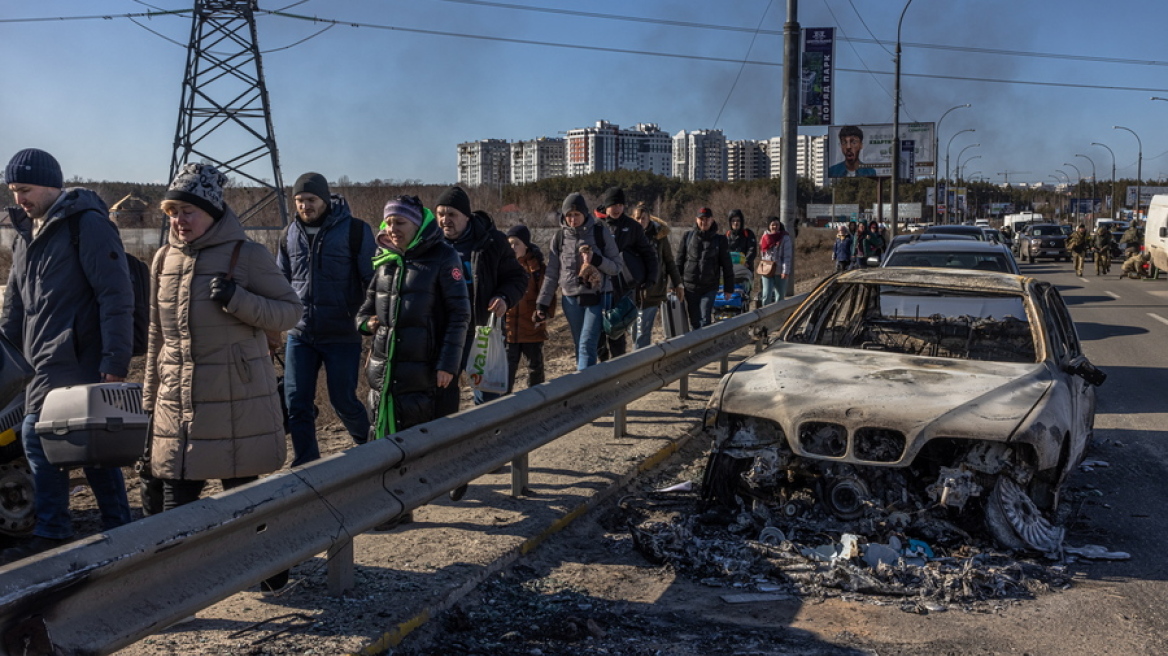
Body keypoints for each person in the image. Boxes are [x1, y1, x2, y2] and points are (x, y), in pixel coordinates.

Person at [144, 163, 302, 591]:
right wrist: (149, 403)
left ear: (212, 212)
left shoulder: (246, 255)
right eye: (172, 212)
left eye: (187, 212)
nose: (178, 220)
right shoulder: (163, 259)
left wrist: (238, 299)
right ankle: (173, 592)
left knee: (243, 498)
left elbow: (290, 312)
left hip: (237, 401)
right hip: (178, 403)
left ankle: (273, 573)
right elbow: (157, 336)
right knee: (176, 501)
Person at [0, 149, 134, 563]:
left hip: (81, 359)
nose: (19, 198)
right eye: (13, 190)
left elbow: (116, 294)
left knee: (69, 445)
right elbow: (15, 306)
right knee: (69, 447)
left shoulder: (86, 224)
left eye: (25, 189)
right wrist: (6, 357)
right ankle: (96, 531)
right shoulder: (26, 234)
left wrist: (115, 361)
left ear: (50, 185)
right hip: (40, 363)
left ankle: (75, 533)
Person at [357, 195, 470, 526]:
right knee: (382, 436)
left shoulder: (443, 257)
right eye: (388, 222)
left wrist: (448, 364)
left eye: (400, 222)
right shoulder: (385, 260)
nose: (392, 229)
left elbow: (459, 315)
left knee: (414, 437)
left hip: (423, 367)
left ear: (417, 226)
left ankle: (415, 496)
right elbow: (365, 309)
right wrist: (365, 324)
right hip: (385, 368)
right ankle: (394, 509)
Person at [276, 172, 376, 466]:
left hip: (342, 332)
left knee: (343, 400)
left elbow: (372, 281)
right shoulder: (288, 234)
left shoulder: (355, 230)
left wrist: (371, 319)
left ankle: (372, 447)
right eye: (299, 200)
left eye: (311, 199)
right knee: (296, 402)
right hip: (300, 333)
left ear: (324, 200)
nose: (305, 206)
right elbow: (279, 282)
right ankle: (306, 463)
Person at [435, 186, 527, 409]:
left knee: (487, 396)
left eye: (452, 214)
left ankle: (488, 430)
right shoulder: (432, 245)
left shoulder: (492, 242)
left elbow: (517, 277)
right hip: (444, 332)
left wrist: (504, 297)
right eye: (441, 214)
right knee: (442, 393)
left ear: (466, 216)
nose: (445, 220)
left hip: (482, 331)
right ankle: (448, 431)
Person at [535, 193, 621, 370]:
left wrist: (596, 260)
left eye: (577, 214)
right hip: (570, 299)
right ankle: (586, 379)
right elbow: (552, 274)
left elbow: (616, 267)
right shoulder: (559, 237)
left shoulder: (600, 232)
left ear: (585, 214)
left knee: (587, 344)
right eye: (569, 215)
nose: (573, 219)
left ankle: (585, 384)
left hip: (596, 297)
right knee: (579, 343)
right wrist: (542, 303)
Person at [596, 187, 658, 362]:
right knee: (598, 333)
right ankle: (602, 367)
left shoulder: (632, 227)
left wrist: (651, 277)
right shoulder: (597, 226)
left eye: (620, 205)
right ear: (606, 206)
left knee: (617, 331)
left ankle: (618, 367)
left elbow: (648, 253)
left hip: (623, 287)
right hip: (599, 288)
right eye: (613, 205)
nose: (617, 209)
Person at [503, 225, 548, 393]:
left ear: (526, 245)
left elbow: (546, 292)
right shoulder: (503, 265)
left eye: (517, 243)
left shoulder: (536, 267)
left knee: (535, 367)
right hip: (510, 328)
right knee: (507, 368)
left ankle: (537, 399)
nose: (513, 247)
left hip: (531, 326)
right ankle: (503, 401)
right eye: (510, 244)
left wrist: (542, 311)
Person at [631, 202, 682, 349]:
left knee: (643, 332)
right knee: (634, 331)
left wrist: (677, 283)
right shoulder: (629, 236)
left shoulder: (659, 236)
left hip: (653, 291)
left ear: (649, 218)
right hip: (633, 291)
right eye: (638, 218)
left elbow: (669, 261)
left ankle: (640, 361)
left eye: (643, 218)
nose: (641, 221)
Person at [676, 208, 734, 330]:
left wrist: (728, 289)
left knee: (705, 318)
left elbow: (727, 265)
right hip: (690, 287)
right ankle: (696, 342)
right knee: (694, 321)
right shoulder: (687, 237)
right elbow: (679, 262)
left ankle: (705, 341)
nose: (704, 222)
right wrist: (674, 284)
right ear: (696, 220)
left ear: (712, 220)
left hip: (709, 287)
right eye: (701, 219)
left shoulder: (720, 240)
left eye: (707, 219)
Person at [757, 217, 793, 305]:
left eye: (777, 224)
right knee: (766, 294)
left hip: (780, 271)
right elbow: (762, 253)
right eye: (772, 225)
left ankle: (779, 313)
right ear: (769, 226)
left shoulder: (785, 238)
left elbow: (787, 256)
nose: (775, 227)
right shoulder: (764, 237)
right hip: (767, 270)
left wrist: (785, 271)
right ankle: (766, 312)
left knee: (780, 296)